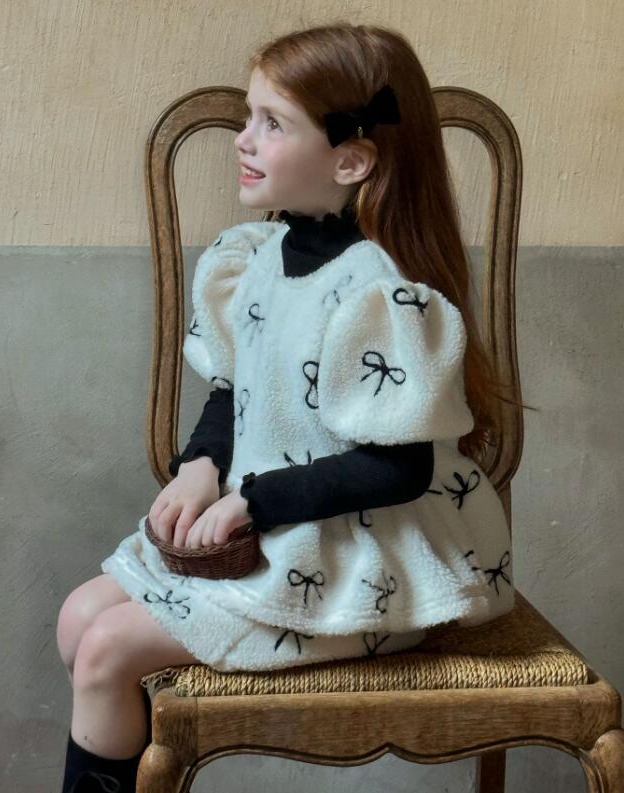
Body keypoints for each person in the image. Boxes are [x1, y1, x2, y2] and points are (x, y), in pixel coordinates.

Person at [56, 22, 523, 792]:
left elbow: (398, 468)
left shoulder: (376, 295)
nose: (242, 139)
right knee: (79, 617)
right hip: (271, 534)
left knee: (107, 649)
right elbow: (234, 387)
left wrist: (252, 500)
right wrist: (200, 467)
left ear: (350, 160)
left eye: (271, 123)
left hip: (355, 565)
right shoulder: (256, 259)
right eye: (249, 116)